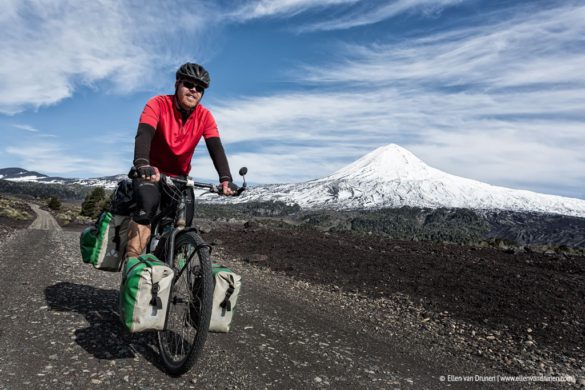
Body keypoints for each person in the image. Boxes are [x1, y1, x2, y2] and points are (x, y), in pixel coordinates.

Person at [126, 62, 235, 258]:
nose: (194, 90)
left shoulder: (205, 116)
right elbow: (144, 133)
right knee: (147, 209)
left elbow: (215, 147)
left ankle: (163, 271)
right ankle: (131, 268)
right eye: (189, 84)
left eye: (200, 88)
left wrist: (225, 178)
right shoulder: (157, 104)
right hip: (152, 174)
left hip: (180, 178)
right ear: (177, 84)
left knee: (182, 225)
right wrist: (142, 164)